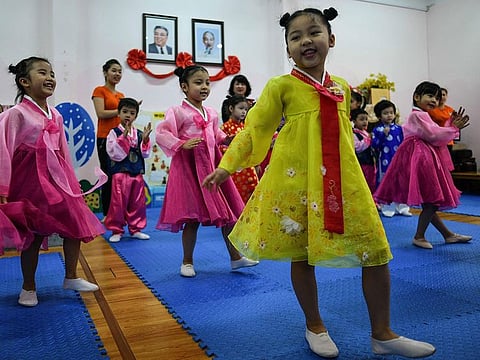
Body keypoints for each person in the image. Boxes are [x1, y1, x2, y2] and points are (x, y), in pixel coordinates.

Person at [203, 8, 435, 358]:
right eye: (295, 37)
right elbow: (255, 129)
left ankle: (383, 333)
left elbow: (345, 135)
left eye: (313, 32)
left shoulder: (341, 87)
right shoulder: (280, 86)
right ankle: (315, 324)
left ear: (331, 39)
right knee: (303, 253)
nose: (305, 41)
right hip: (298, 181)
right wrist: (226, 166)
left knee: (376, 251)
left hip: (346, 182)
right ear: (288, 49)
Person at [0, 56, 103, 307]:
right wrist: (3, 187)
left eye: (52, 74)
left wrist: (72, 181)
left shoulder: (55, 115)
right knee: (33, 236)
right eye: (42, 73)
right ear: (24, 82)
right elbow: (3, 150)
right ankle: (28, 287)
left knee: (75, 225)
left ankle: (71, 275)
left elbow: (62, 151)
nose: (50, 78)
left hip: (57, 183)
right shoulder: (16, 114)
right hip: (29, 184)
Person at [155, 65, 258, 278]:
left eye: (207, 83)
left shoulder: (210, 113)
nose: (204, 87)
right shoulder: (177, 111)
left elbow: (216, 135)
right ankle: (187, 261)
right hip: (189, 170)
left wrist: (227, 139)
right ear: (184, 87)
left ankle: (236, 258)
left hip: (211, 167)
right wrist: (181, 144)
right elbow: (162, 133)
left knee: (228, 215)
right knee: (192, 218)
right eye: (198, 83)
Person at [374, 81, 472, 250]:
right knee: (432, 200)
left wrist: (450, 125)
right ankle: (419, 236)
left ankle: (448, 235)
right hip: (421, 158)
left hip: (424, 156)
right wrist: (453, 128)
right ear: (417, 97)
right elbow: (433, 134)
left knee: (430, 201)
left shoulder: (423, 115)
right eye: (430, 96)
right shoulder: (417, 115)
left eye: (436, 97)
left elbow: (435, 132)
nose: (434, 100)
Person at [104, 98, 152, 243]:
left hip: (136, 173)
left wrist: (144, 141)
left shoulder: (138, 133)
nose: (128, 116)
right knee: (118, 203)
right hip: (120, 174)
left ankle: (135, 229)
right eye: (124, 112)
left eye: (132, 113)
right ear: (118, 113)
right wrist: (122, 138)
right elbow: (113, 153)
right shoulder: (113, 132)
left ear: (136, 116)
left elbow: (145, 154)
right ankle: (117, 230)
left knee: (137, 203)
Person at [92, 59, 125, 218]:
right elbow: (101, 113)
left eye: (119, 71)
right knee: (108, 175)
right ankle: (107, 213)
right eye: (114, 70)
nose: (117, 74)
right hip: (105, 138)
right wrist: (121, 110)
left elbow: (123, 119)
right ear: (105, 72)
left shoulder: (121, 95)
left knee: (120, 176)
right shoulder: (99, 90)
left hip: (120, 139)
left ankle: (119, 211)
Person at [371, 99, 412, 217]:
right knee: (387, 182)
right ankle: (387, 207)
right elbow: (374, 145)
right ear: (379, 116)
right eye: (385, 113)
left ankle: (403, 206)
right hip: (384, 160)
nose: (389, 115)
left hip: (399, 161)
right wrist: (383, 135)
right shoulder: (377, 130)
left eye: (391, 112)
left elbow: (404, 143)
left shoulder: (399, 129)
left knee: (401, 182)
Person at [220, 95, 259, 203]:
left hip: (248, 167)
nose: (244, 112)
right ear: (231, 109)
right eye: (241, 108)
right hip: (235, 169)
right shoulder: (224, 128)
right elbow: (220, 146)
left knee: (253, 192)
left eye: (246, 109)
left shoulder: (245, 127)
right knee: (238, 195)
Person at [352, 108, 376, 194]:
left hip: (370, 162)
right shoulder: (354, 134)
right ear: (354, 121)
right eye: (361, 119)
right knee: (365, 182)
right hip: (362, 163)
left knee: (371, 181)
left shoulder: (366, 133)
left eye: (366, 119)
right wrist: (368, 139)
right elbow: (357, 148)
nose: (365, 122)